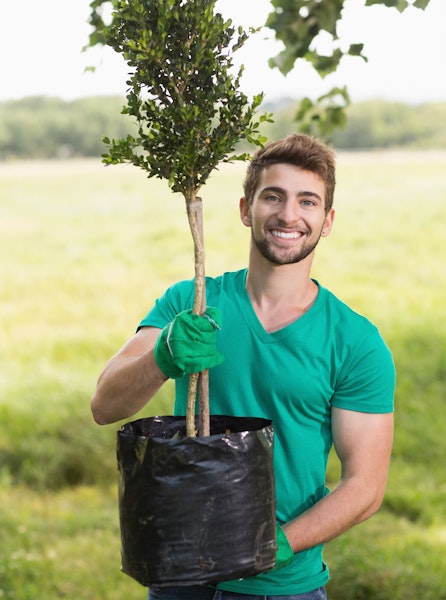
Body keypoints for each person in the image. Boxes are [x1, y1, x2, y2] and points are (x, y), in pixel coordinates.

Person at [91, 134, 395, 600]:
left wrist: (278, 545)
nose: (289, 215)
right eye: (273, 196)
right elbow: (105, 404)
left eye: (307, 201)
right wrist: (162, 357)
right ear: (244, 208)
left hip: (282, 588)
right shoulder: (190, 304)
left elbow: (365, 485)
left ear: (327, 220)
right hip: (180, 576)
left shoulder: (354, 342)